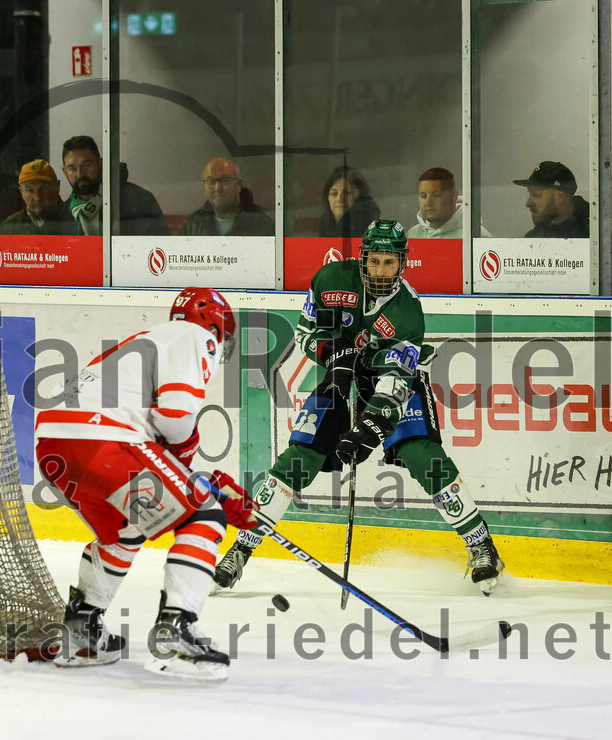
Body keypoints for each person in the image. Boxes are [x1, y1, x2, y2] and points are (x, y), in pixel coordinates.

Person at [211, 220, 505, 597]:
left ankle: (481, 545)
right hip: (340, 375)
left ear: (402, 263)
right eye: (374, 261)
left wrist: (369, 427)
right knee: (298, 460)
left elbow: (395, 384)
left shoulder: (407, 313)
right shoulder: (330, 279)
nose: (381, 271)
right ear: (362, 258)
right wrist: (331, 353)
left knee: (423, 457)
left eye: (389, 263)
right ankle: (240, 550)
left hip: (392, 384)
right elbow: (305, 332)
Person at [35, 288, 255, 680]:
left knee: (126, 529)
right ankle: (176, 628)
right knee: (204, 514)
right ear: (216, 328)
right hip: (103, 440)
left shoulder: (150, 341)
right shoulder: (193, 335)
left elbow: (154, 439)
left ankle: (81, 629)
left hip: (56, 444)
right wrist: (200, 484)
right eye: (223, 338)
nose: (220, 348)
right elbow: (175, 417)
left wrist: (195, 479)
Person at [61, 135, 169, 236]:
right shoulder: (64, 213)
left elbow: (162, 247)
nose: (80, 174)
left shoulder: (139, 200)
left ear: (100, 164)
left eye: (87, 165)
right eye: (72, 168)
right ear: (65, 172)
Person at [183, 158, 274, 237]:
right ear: (203, 188)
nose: (217, 188)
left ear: (238, 185)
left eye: (224, 180)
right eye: (211, 182)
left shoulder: (262, 222)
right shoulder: (193, 224)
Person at [407, 167, 490, 239]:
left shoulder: (476, 235)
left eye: (436, 195)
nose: (428, 202)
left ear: (454, 196)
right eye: (423, 195)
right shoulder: (413, 235)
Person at [513, 161, 588, 238]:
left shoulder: (596, 229)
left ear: (560, 197)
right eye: (530, 194)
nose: (528, 203)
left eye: (536, 195)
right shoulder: (535, 237)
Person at [1, 158, 76, 234]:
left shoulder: (76, 219)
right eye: (30, 190)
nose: (37, 197)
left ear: (56, 187)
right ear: (22, 193)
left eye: (44, 189)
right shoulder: (10, 225)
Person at [318, 166, 380, 238]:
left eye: (347, 193)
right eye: (334, 194)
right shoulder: (325, 227)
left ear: (361, 198)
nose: (339, 199)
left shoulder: (371, 233)